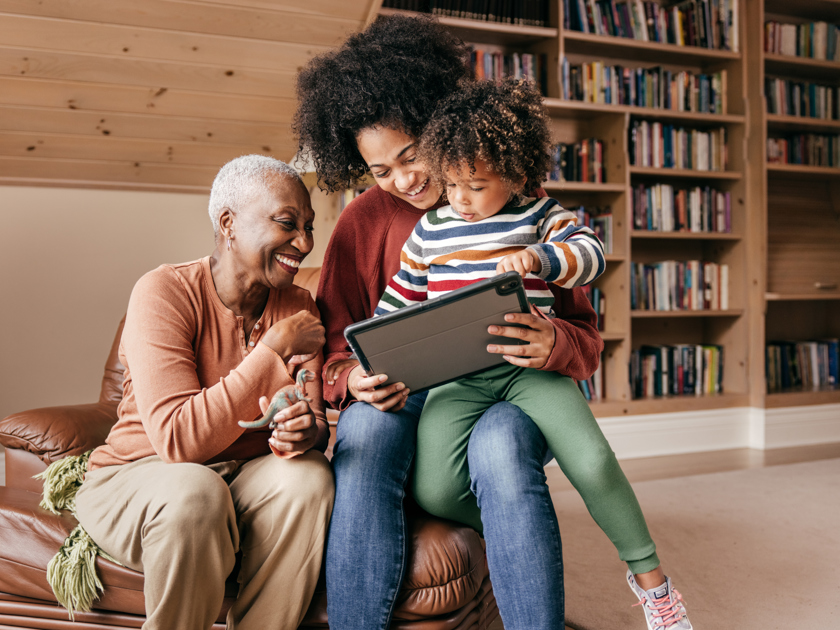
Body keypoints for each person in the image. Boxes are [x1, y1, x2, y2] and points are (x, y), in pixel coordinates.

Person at [294, 15, 599, 630]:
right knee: (366, 435)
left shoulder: (512, 197)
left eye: (411, 156)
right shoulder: (362, 221)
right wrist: (350, 380)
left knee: (503, 444)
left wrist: (553, 342)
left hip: (507, 387)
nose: (403, 180)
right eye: (380, 171)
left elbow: (585, 338)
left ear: (438, 122)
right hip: (406, 393)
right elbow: (335, 344)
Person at [377, 79, 692, 630]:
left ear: (516, 175)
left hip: (531, 372)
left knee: (592, 461)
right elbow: (397, 304)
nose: (459, 199)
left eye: (475, 185)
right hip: (460, 379)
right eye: (450, 184)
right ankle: (520, 528)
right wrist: (374, 356)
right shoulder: (429, 231)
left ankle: (653, 584)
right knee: (434, 486)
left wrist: (541, 259)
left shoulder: (542, 214)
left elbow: (591, 254)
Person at [74, 155, 335, 630]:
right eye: (286, 223)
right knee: (197, 490)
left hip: (240, 478)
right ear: (228, 223)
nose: (304, 242)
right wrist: (272, 351)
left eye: (309, 227)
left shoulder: (297, 304)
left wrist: (305, 433)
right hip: (140, 476)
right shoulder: (163, 292)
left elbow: (315, 422)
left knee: (310, 475)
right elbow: (178, 442)